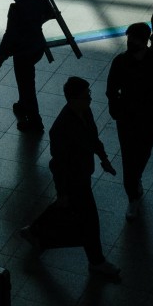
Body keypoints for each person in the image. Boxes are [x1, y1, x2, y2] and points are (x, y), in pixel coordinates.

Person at [18, 77, 121, 280]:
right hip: (74, 180)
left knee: (65, 207)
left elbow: (93, 138)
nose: (90, 99)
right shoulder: (61, 128)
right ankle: (96, 261)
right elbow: (57, 164)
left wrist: (103, 159)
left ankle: (34, 230)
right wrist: (62, 191)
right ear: (73, 99)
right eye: (86, 96)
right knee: (90, 221)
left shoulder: (85, 112)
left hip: (83, 174)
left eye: (89, 95)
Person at [106, 24, 153, 219]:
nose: (129, 44)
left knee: (142, 153)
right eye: (128, 40)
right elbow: (111, 89)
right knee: (129, 157)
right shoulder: (121, 62)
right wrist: (116, 110)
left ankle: (135, 181)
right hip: (128, 117)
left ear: (144, 42)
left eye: (133, 40)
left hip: (150, 118)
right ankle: (133, 194)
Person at [0, 0, 54, 132]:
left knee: (26, 85)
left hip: (22, 52)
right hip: (37, 47)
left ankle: (35, 121)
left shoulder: (16, 8)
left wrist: (1, 56)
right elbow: (49, 13)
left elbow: (10, 34)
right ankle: (22, 104)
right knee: (27, 80)